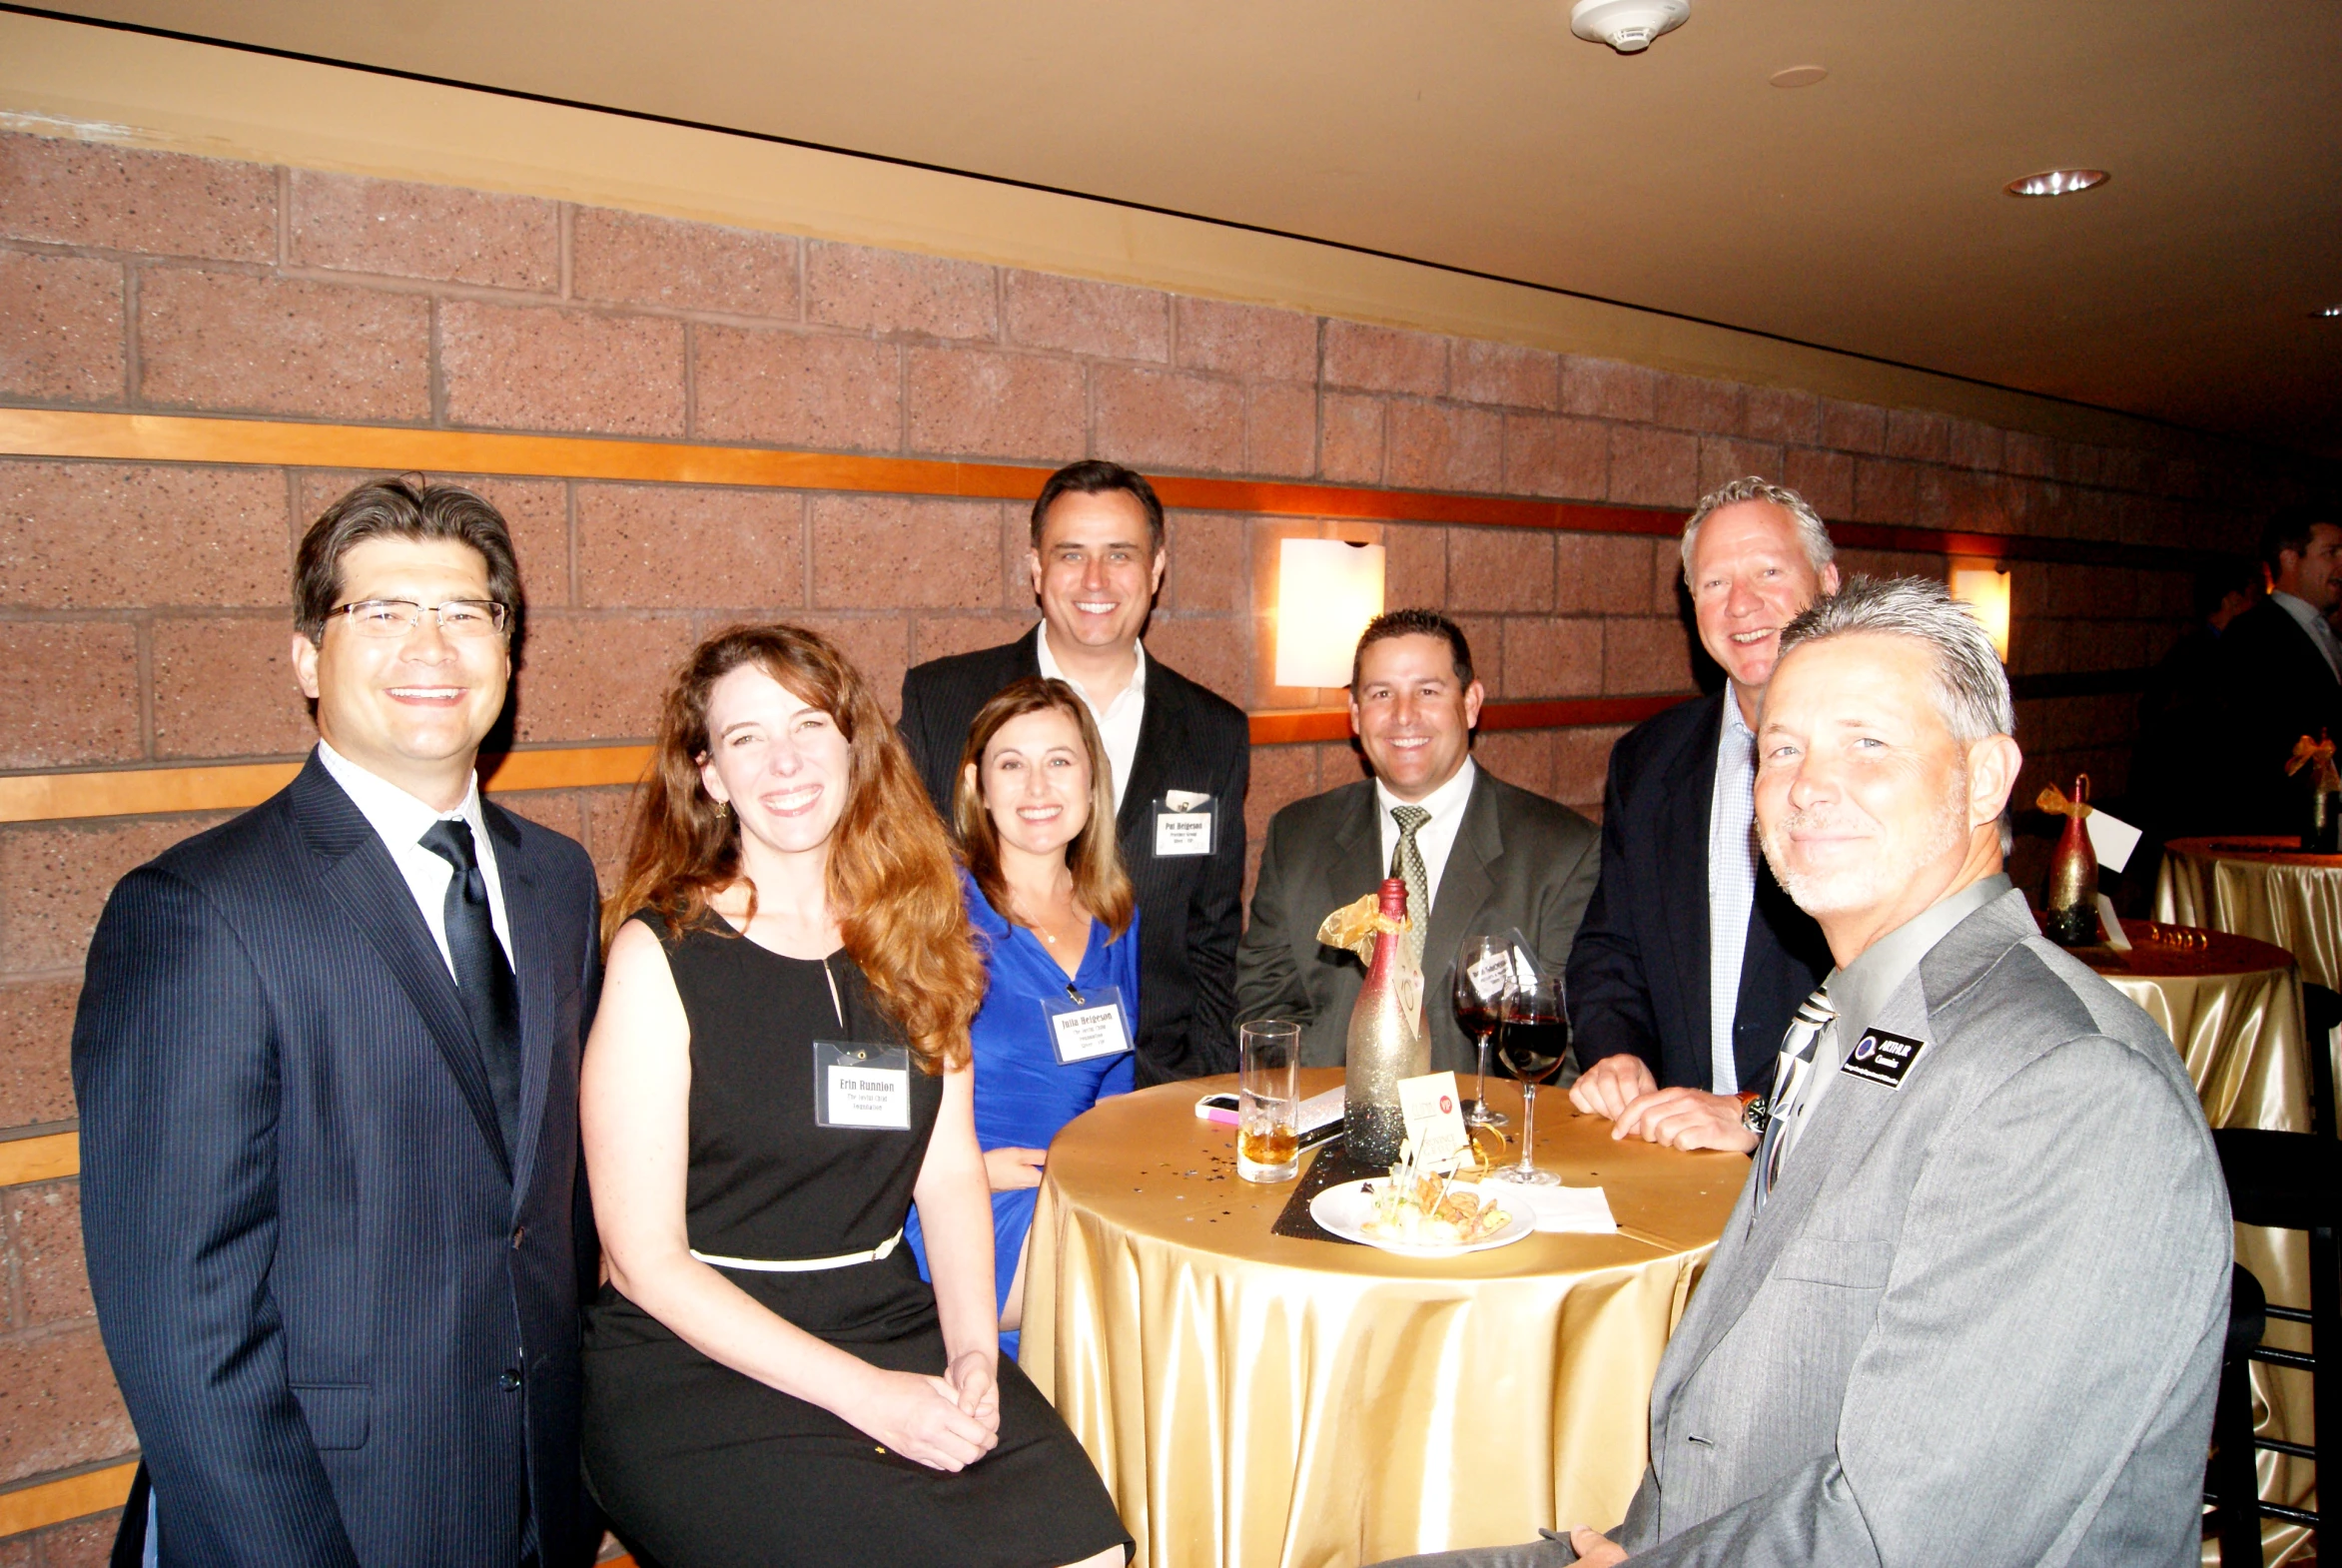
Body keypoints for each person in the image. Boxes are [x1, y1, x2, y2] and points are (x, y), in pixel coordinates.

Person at [1372, 575, 2231, 1568]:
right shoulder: (1843, 1014)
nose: (1806, 784)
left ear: (1987, 778)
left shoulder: (2065, 1088)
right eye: (1779, 748)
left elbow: (1900, 1537)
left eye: (1867, 743)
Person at [73, 478, 603, 1566]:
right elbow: (183, 1321)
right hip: (334, 1511)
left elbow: (547, 1208)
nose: (432, 645)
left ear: (508, 652)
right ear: (309, 658)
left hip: (537, 1490)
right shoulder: (201, 911)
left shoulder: (557, 882)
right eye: (383, 612)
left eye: (466, 613)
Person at [578, 624, 1128, 1568]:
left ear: (852, 745)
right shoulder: (656, 954)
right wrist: (870, 1396)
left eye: (808, 725)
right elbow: (644, 1265)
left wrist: (970, 1356)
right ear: (709, 775)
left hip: (883, 1311)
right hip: (697, 1351)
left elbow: (949, 1177)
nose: (785, 760)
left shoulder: (919, 932)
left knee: (1090, 1552)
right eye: (746, 738)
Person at [899, 459, 1249, 1085]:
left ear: (1156, 568)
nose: (1095, 579)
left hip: (1157, 1101)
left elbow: (1211, 948)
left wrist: (1219, 1098)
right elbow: (899, 918)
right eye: (1070, 554)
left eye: (1120, 554)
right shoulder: (944, 703)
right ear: (1036, 568)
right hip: (993, 1104)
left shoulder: (1213, 731)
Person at [1567, 478, 1836, 1150]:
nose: (1741, 604)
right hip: (1676, 1159)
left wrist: (1757, 1110)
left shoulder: (1881, 761)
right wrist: (1619, 1054)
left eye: (1768, 572)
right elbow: (1611, 948)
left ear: (1827, 583)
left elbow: (1904, 987)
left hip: (1833, 1161)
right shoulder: (1647, 759)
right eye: (1713, 584)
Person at [1237, 610, 1600, 1072]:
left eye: (1427, 691)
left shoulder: (1562, 852)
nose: (1403, 716)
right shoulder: (1298, 836)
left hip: (1487, 1135)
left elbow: (1566, 1046)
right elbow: (1265, 1010)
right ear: (1354, 714)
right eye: (1381, 693)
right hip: (1329, 1127)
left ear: (1470, 704)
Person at [903, 677, 1140, 1360]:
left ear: (1092, 781)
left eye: (1059, 761)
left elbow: (1115, 1094)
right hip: (965, 1206)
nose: (1038, 786)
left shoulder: (1117, 917)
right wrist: (968, 1170)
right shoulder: (937, 908)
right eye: (1012, 764)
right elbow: (874, 1097)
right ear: (977, 785)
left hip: (1079, 1198)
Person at [2206, 505, 2342, 833]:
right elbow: (2258, 740)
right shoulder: (2255, 634)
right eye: (2330, 553)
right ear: (2289, 559)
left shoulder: (2324, 631)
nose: (2341, 565)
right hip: (2289, 828)